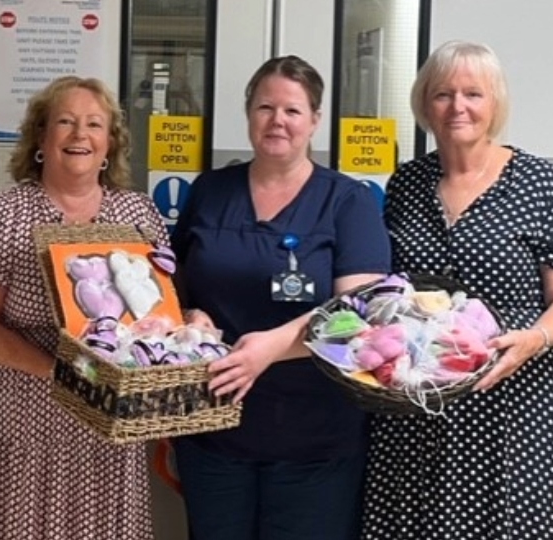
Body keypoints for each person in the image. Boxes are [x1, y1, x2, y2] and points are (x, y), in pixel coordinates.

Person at [360, 41, 553, 539]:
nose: (458, 106)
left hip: (514, 399)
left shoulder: (538, 183)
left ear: (495, 105)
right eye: (443, 94)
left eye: (473, 94)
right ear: (425, 104)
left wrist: (534, 339)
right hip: (421, 404)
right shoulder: (405, 183)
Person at [170, 55, 391, 540]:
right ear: (248, 114)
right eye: (265, 107)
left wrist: (269, 349)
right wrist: (189, 314)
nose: (278, 120)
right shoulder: (210, 190)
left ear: (314, 120)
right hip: (212, 427)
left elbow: (359, 314)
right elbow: (174, 281)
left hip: (315, 438)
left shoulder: (347, 202)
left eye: (293, 110)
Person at [0, 76, 163, 539]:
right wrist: (67, 374)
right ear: (40, 140)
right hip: (21, 420)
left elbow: (158, 319)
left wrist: (190, 327)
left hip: (106, 424)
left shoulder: (139, 216)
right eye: (65, 122)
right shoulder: (4, 215)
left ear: (110, 144)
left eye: (94, 124)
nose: (79, 135)